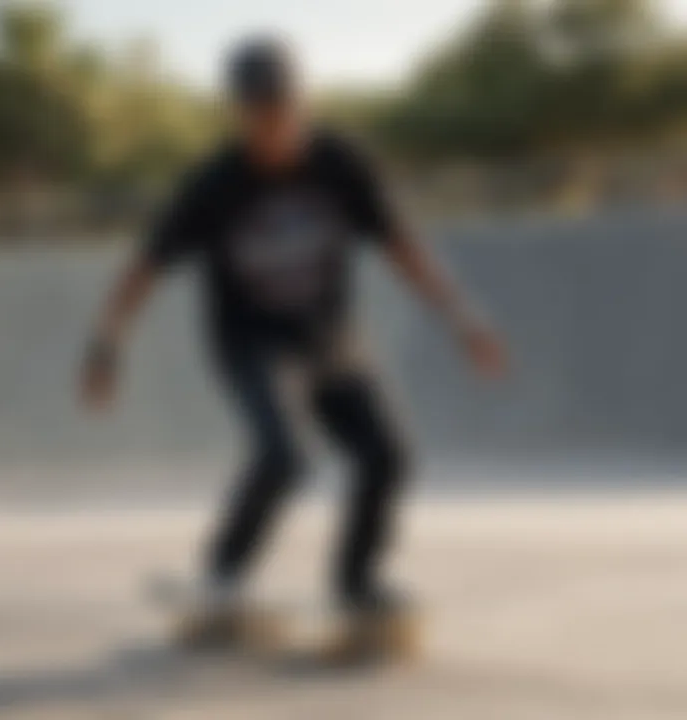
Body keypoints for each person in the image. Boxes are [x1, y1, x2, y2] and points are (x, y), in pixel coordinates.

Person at [79, 36, 507, 621]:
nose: (271, 130)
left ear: (303, 103)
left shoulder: (341, 163)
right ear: (238, 114)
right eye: (257, 116)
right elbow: (145, 266)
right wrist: (108, 343)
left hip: (331, 339)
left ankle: (356, 586)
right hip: (251, 344)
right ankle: (223, 576)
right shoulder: (214, 184)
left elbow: (400, 245)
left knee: (387, 455)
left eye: (282, 112)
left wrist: (462, 316)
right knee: (284, 456)